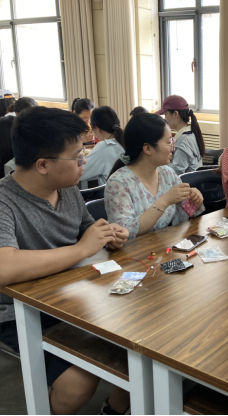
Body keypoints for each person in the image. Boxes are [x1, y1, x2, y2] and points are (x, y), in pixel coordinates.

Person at [0, 106, 130, 415]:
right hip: (21, 312)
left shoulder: (66, 189)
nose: (84, 162)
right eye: (77, 156)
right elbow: (5, 268)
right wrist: (82, 249)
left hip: (73, 297)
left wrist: (108, 234)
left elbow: (85, 229)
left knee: (143, 344)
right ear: (43, 164)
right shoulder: (5, 201)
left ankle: (113, 410)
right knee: (78, 383)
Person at [106, 113, 205, 239]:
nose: (173, 147)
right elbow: (123, 232)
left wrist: (196, 200)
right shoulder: (118, 183)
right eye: (168, 141)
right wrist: (164, 201)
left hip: (166, 244)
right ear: (147, 148)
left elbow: (190, 210)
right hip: (136, 250)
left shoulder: (168, 174)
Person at [156, 95, 205, 175]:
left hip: (186, 182)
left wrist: (162, 162)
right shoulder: (190, 133)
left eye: (165, 115)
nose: (165, 119)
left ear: (175, 114)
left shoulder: (183, 140)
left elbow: (176, 172)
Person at [80, 106, 125, 188]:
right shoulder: (125, 140)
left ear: (97, 128)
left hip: (113, 193)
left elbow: (81, 173)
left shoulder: (104, 147)